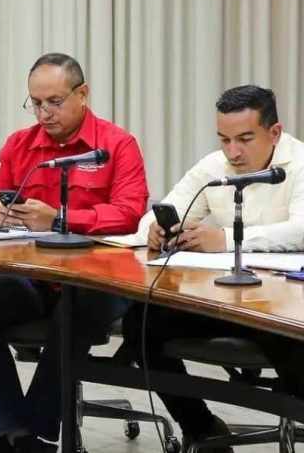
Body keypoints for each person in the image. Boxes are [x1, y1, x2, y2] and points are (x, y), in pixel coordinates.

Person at [0, 53, 149, 453]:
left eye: (54, 102)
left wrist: (61, 219)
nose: (44, 113)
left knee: (72, 311)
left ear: (83, 94)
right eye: (36, 103)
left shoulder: (117, 144)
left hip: (101, 280)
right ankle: (8, 433)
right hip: (38, 276)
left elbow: (130, 214)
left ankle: (36, 433)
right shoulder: (20, 144)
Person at [123, 85, 304, 453]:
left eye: (245, 139)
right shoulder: (213, 166)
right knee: (141, 323)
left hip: (282, 305)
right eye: (224, 139)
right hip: (223, 298)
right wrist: (157, 230)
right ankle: (202, 428)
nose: (232, 151)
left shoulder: (300, 163)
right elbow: (156, 215)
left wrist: (226, 239)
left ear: (274, 132)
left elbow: (301, 228)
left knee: (293, 348)